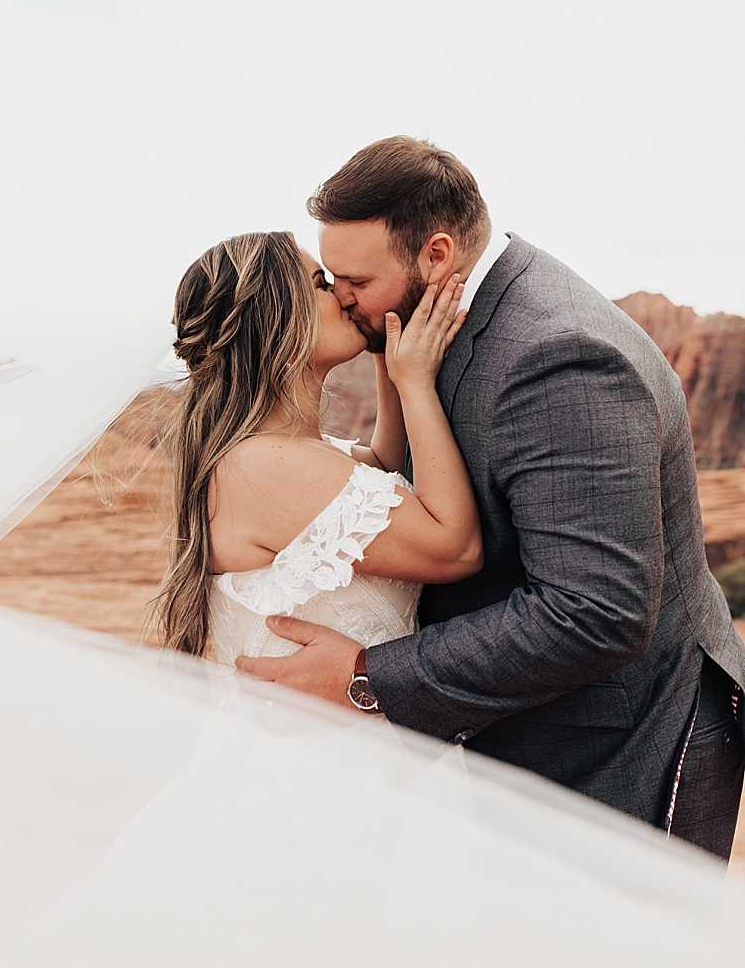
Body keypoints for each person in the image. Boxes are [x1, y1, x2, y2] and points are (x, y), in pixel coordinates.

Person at [234, 137, 745, 859]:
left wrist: (365, 678)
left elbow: (597, 610)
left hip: (617, 754)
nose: (339, 296)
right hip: (521, 742)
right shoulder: (428, 328)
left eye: (353, 278)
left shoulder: (556, 357)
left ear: (437, 255)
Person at [155, 229, 479, 702]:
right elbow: (456, 548)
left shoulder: (281, 450)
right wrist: (415, 383)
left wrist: (383, 353)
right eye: (321, 285)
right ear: (278, 319)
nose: (345, 297)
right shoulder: (263, 466)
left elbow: (384, 474)